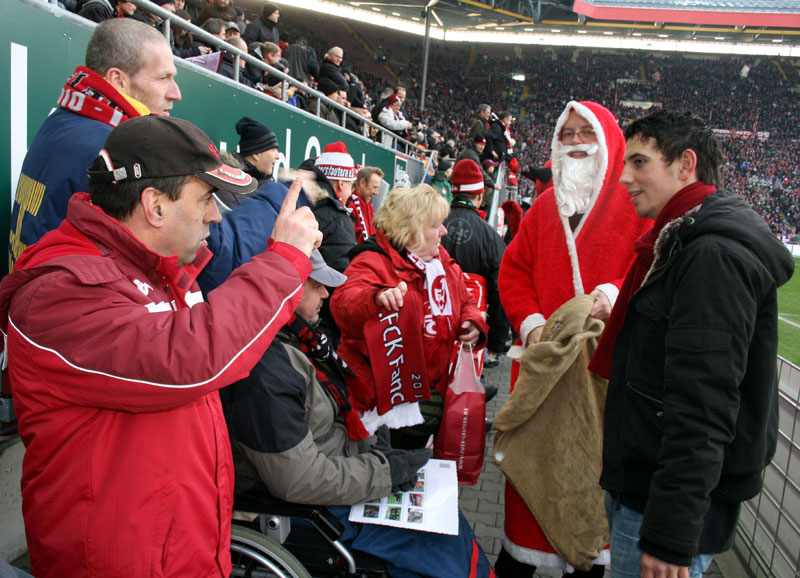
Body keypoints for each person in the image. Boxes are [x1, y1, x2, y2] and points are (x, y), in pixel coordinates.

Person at [0, 116, 321, 578]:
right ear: (154, 206)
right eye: (207, 199)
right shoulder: (59, 293)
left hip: (183, 552)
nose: (215, 215)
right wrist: (285, 261)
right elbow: (189, 360)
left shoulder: (160, 271)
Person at [589, 110, 794, 578]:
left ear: (686, 165)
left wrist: (670, 534)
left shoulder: (710, 256)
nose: (623, 177)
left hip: (662, 508)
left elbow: (703, 405)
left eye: (639, 163)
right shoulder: (685, 240)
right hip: (649, 490)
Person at [221, 250, 495, 578]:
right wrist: (384, 471)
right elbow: (298, 480)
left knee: (451, 530)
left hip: (339, 479)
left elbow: (331, 424)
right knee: (442, 553)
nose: (326, 293)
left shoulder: (302, 341)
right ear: (287, 291)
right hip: (317, 508)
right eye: (316, 285)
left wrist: (379, 453)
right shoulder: (265, 373)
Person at [496, 101, 651, 578]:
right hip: (542, 372)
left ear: (608, 145)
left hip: (600, 381)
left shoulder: (635, 209)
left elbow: (654, 270)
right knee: (529, 481)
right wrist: (532, 322)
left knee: (588, 484)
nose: (577, 141)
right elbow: (514, 271)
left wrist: (611, 295)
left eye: (587, 133)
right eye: (568, 134)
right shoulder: (543, 208)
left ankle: (583, 558)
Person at [9, 18, 181, 270]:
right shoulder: (114, 149)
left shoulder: (64, 117)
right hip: (66, 299)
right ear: (118, 80)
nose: (176, 93)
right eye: (163, 78)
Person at [330, 185, 488, 448]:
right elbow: (342, 304)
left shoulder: (440, 261)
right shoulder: (372, 261)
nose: (444, 231)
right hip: (382, 403)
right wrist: (376, 297)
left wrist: (471, 322)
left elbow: (465, 300)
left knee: (415, 464)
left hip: (429, 392)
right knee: (388, 470)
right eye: (436, 225)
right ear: (409, 230)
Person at [441, 159, 510, 370]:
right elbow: (500, 291)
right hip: (471, 331)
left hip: (431, 329)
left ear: (453, 193)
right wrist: (496, 342)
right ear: (479, 196)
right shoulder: (490, 237)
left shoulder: (432, 225)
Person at [348, 166, 384, 244]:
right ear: (362, 182)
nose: (376, 192)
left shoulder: (367, 202)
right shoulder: (350, 204)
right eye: (374, 187)